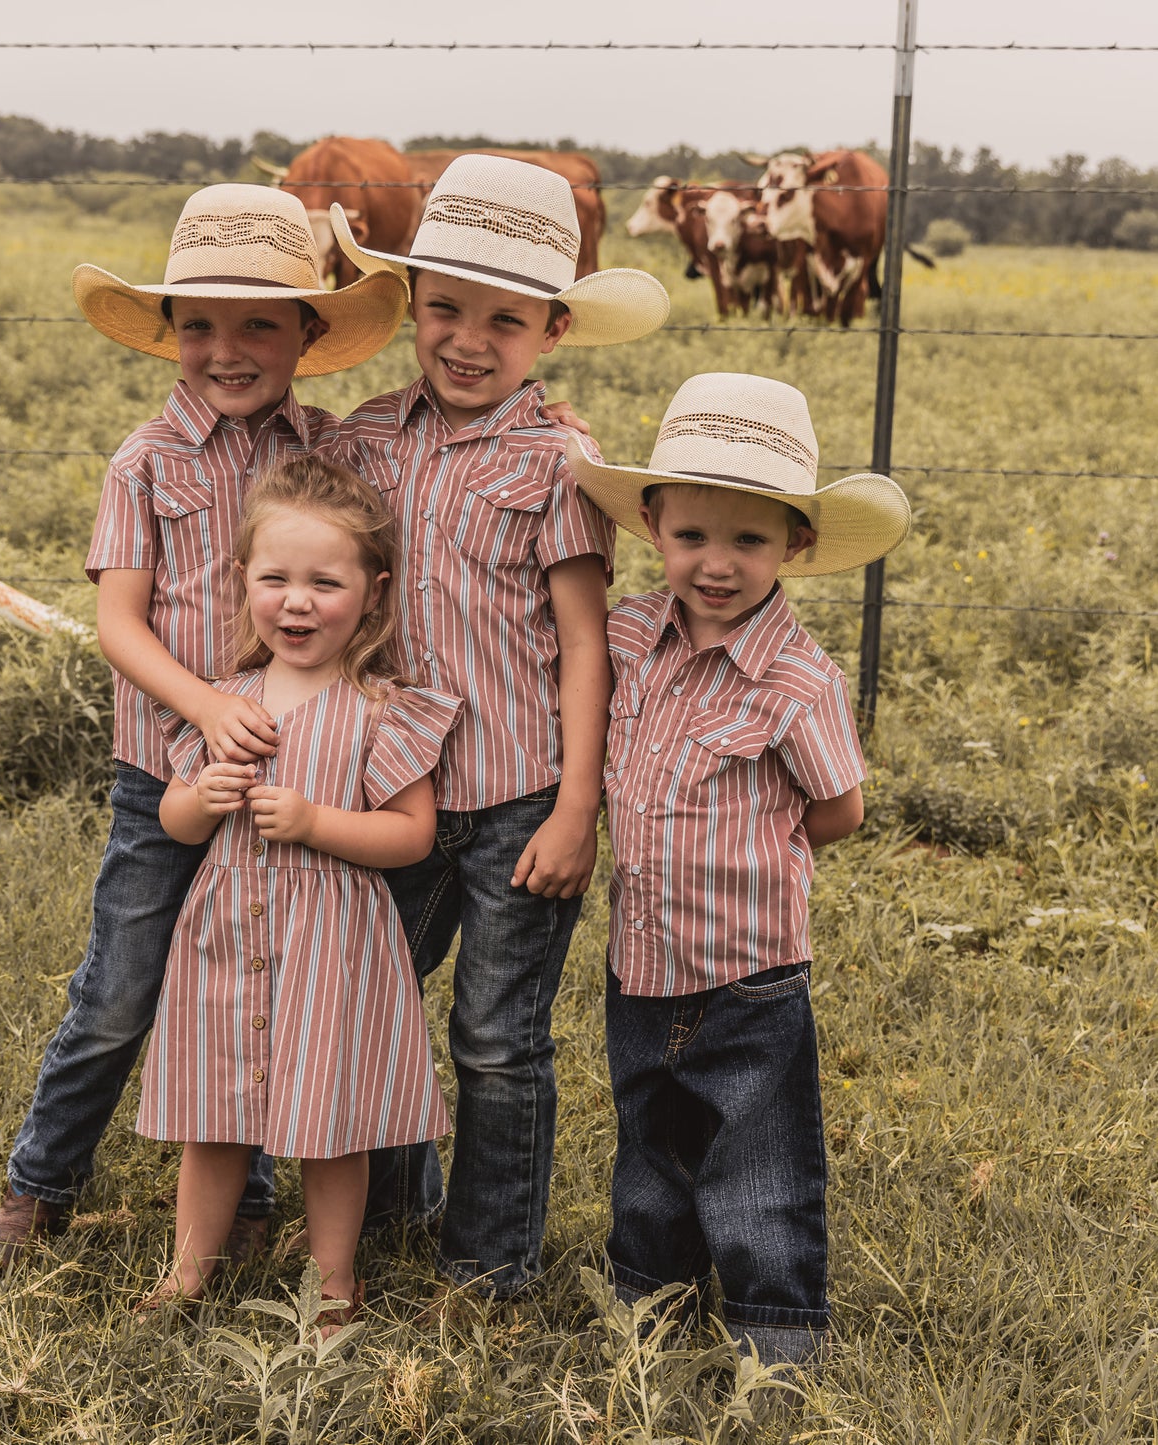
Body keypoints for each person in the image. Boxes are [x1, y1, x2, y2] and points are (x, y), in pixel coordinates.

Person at [0, 186, 408, 1263]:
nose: (227, 347)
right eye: (199, 322)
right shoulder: (146, 461)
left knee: (264, 975)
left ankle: (255, 1195)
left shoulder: (328, 450)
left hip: (296, 767)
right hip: (162, 772)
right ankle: (40, 1181)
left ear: (310, 334)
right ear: (168, 330)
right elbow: (118, 621)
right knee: (121, 990)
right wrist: (208, 703)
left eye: (260, 321)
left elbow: (430, 456)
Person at [327, 154, 671, 1298]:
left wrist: (578, 805)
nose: (466, 339)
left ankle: (489, 1262)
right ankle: (389, 1200)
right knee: (367, 995)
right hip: (394, 788)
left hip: (521, 788)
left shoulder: (558, 465)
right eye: (443, 308)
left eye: (503, 320)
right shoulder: (364, 438)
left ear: (553, 330)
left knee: (494, 1036)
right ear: (409, 308)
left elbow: (581, 639)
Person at [564, 372, 912, 1365]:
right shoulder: (630, 634)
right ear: (650, 524)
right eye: (691, 537)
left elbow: (836, 809)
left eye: (748, 540)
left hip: (751, 966)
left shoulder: (798, 681)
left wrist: (749, 851)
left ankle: (774, 1330)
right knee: (649, 1143)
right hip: (642, 957)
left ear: (793, 543)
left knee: (756, 1152)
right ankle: (650, 1306)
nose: (715, 563)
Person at [135, 457, 462, 1325]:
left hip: (333, 938)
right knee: (213, 1110)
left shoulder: (381, 708)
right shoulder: (224, 702)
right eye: (275, 579)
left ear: (373, 590)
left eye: (325, 581)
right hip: (225, 932)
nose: (297, 601)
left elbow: (409, 834)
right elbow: (174, 820)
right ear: (243, 583)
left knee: (329, 1118)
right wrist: (197, 799)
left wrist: (317, 821)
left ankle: (333, 1281)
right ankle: (187, 1272)